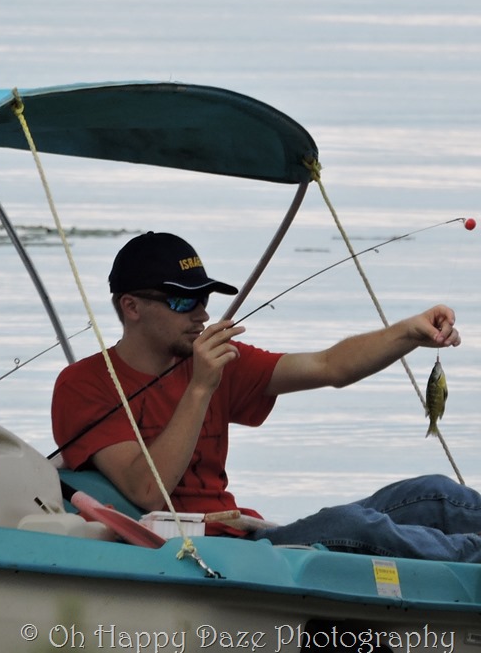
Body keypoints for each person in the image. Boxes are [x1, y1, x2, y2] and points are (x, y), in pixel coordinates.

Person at [50, 231, 480, 562]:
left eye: (203, 298)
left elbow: (329, 366)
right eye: (183, 301)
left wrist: (408, 332)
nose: (202, 314)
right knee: (350, 524)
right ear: (131, 307)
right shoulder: (84, 384)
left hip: (247, 535)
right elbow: (147, 490)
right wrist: (200, 387)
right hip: (199, 552)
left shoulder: (212, 359)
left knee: (434, 493)